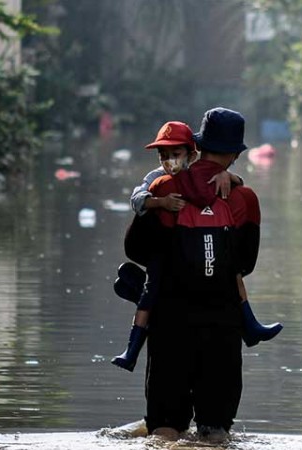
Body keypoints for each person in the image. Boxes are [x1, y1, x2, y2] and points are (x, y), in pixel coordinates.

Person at [124, 107, 267, 440]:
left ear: (198, 148)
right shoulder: (244, 197)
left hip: (170, 324)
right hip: (223, 327)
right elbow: (245, 263)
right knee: (215, 434)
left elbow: (135, 250)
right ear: (234, 154)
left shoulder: (161, 188)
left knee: (163, 431)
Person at [112, 120, 282, 373]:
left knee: (230, 275)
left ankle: (250, 323)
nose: (169, 161)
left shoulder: (204, 179)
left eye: (175, 154)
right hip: (205, 298)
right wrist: (159, 202)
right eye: (163, 156)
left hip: (187, 299)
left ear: (193, 154)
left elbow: (134, 247)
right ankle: (132, 348)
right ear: (233, 155)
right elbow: (138, 199)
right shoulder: (158, 181)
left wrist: (229, 176)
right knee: (150, 293)